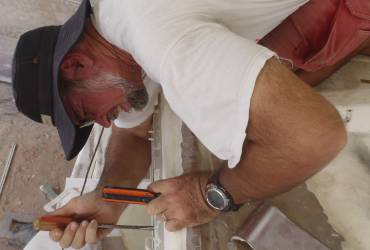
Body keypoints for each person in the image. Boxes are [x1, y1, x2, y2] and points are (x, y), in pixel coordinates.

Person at [11, 0, 369, 248]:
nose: (105, 121)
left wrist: (211, 195)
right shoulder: (111, 21)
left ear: (75, 65)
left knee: (283, 115)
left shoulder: (165, 42)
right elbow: (134, 131)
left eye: (86, 114)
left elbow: (317, 137)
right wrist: (108, 197)